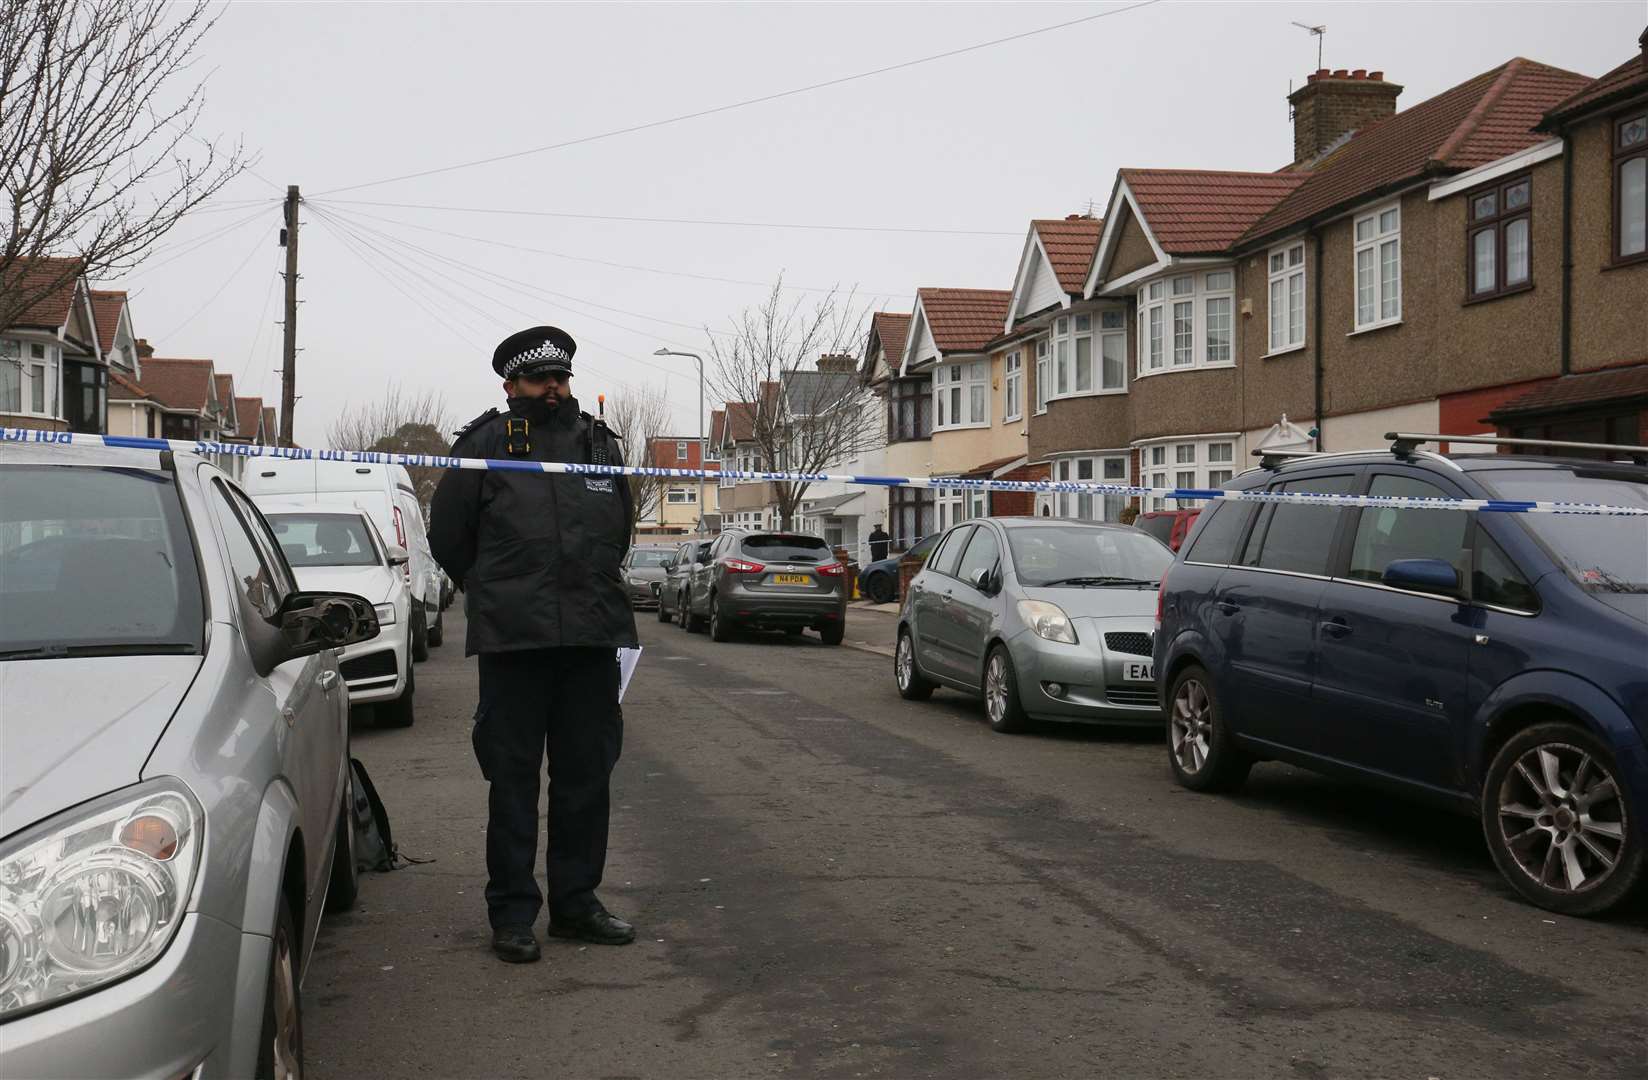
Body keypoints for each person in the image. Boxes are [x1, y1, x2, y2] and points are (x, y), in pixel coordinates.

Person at [429, 325, 639, 964]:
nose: (553, 388)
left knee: (586, 778)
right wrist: (495, 589)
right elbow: (449, 537)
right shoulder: (485, 444)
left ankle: (578, 904)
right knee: (513, 780)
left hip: (590, 638)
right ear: (510, 385)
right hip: (514, 643)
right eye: (539, 379)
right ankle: (513, 914)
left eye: (561, 377)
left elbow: (620, 529)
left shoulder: (599, 446)